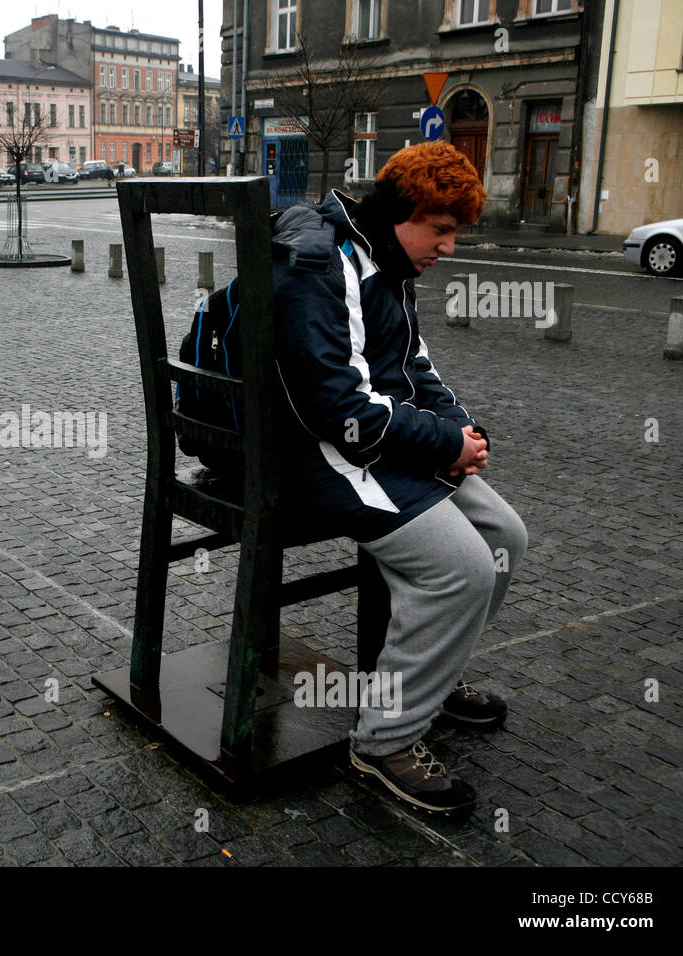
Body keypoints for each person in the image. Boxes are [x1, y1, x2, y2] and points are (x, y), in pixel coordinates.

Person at [269, 142, 527, 817]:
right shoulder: (327, 265)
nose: (448, 247)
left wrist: (465, 437)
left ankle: (431, 677)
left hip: (375, 442)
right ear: (400, 213)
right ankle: (384, 740)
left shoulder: (390, 264)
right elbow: (335, 410)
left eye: (454, 233)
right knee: (462, 568)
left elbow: (417, 371)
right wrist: (440, 442)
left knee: (505, 533)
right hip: (314, 453)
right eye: (439, 230)